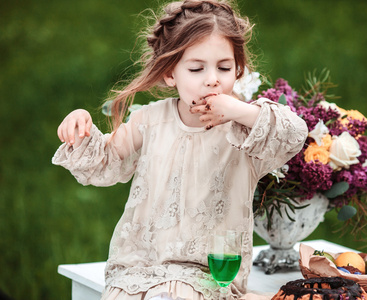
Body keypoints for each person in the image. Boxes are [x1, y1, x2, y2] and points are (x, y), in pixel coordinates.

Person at [52, 0, 308, 299]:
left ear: (238, 70)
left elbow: (294, 134)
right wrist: (79, 126)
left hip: (210, 271)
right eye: (197, 68)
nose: (212, 78)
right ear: (170, 74)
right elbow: (102, 164)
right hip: (139, 267)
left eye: (224, 67)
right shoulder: (149, 120)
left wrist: (240, 111)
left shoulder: (246, 129)